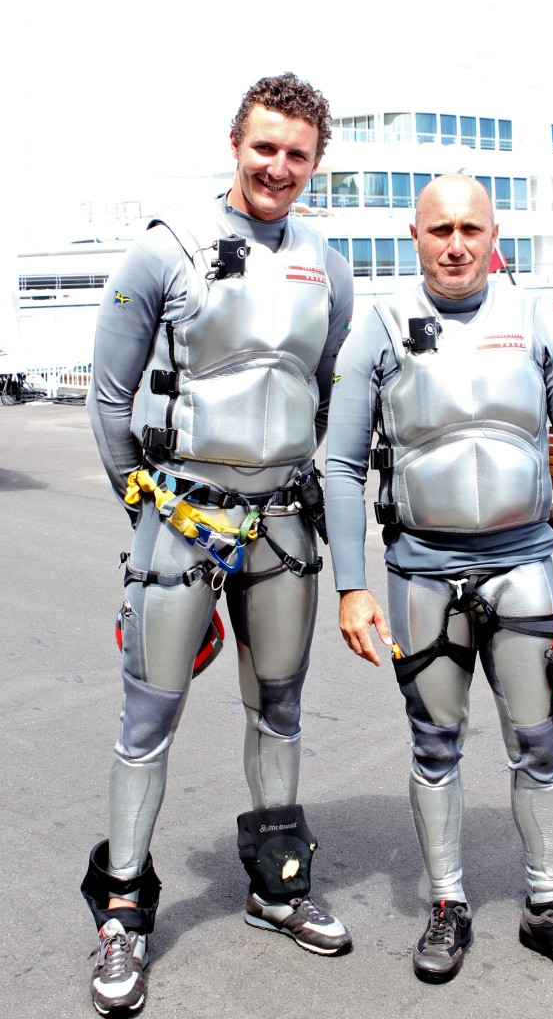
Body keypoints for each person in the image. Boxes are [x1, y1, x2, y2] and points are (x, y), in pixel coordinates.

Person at [324, 173, 553, 986]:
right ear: (416, 235)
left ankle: (547, 906)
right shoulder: (378, 329)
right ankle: (446, 903)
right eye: (440, 230)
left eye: (471, 228)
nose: (456, 244)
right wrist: (352, 586)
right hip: (423, 571)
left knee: (539, 744)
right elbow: (338, 464)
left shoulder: (531, 319)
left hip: (522, 569)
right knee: (435, 744)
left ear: (493, 231)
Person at [82, 73, 353, 1015]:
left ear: (316, 162)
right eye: (265, 147)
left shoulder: (329, 260)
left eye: (298, 154)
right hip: (183, 519)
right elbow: (108, 400)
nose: (279, 166)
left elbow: (321, 387)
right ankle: (122, 913)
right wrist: (146, 509)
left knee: (279, 710)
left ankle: (277, 887)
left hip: (281, 524)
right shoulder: (165, 251)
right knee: (147, 722)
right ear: (235, 143)